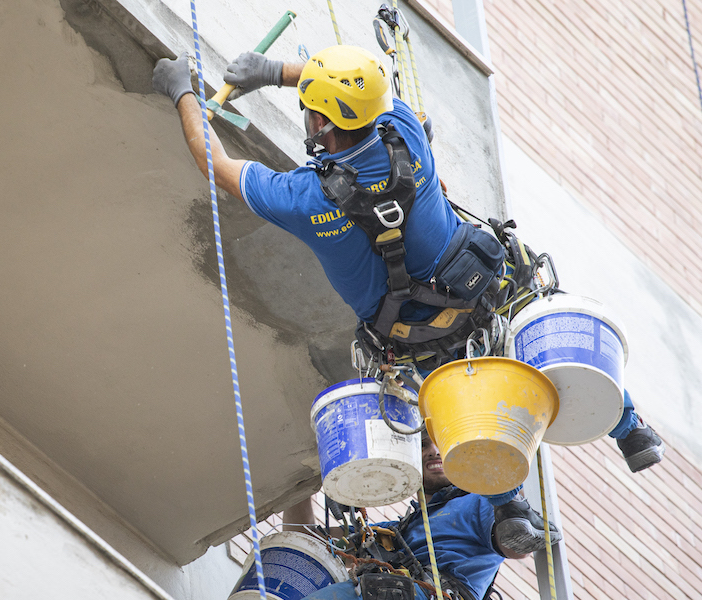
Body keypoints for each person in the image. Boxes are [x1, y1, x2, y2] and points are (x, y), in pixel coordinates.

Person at [150, 44, 665, 543]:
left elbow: (213, 161)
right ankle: (632, 429)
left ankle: (509, 508)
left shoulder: (303, 198)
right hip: (481, 286)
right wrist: (277, 70)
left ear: (321, 124)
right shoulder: (406, 131)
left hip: (410, 333)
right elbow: (362, 84)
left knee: (453, 409)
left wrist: (183, 94)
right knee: (543, 333)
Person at [282, 432, 539, 600]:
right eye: (423, 444)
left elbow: (515, 546)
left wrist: (505, 496)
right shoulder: (397, 533)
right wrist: (307, 477)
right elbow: (303, 539)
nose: (435, 450)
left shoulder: (479, 502)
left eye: (443, 443)